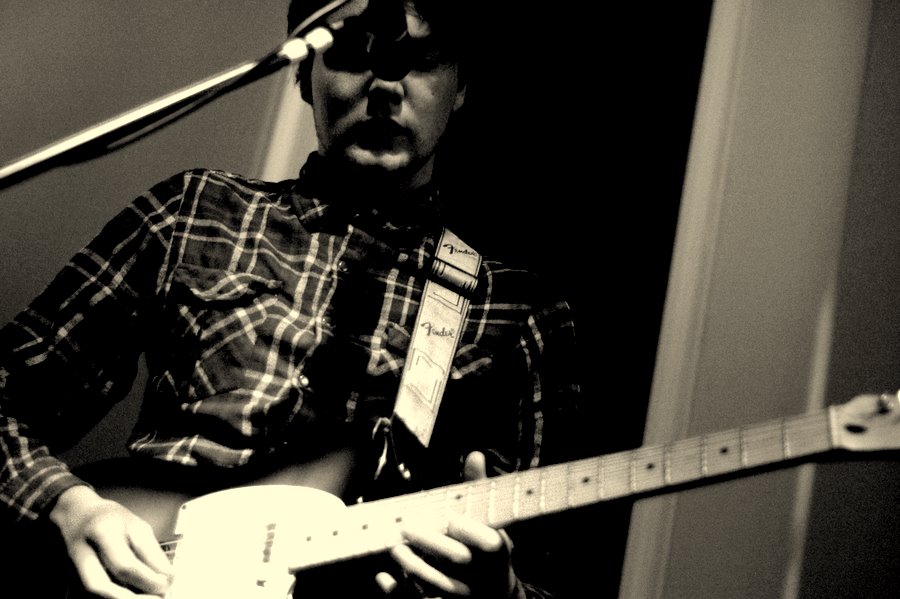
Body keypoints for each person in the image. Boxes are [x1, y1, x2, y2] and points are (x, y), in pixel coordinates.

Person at [0, 1, 585, 597]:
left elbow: (551, 575)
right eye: (352, 51)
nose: (386, 85)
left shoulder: (517, 312)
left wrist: (503, 591)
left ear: (461, 87)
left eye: (421, 58)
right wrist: (69, 505)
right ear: (303, 71)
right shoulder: (192, 213)